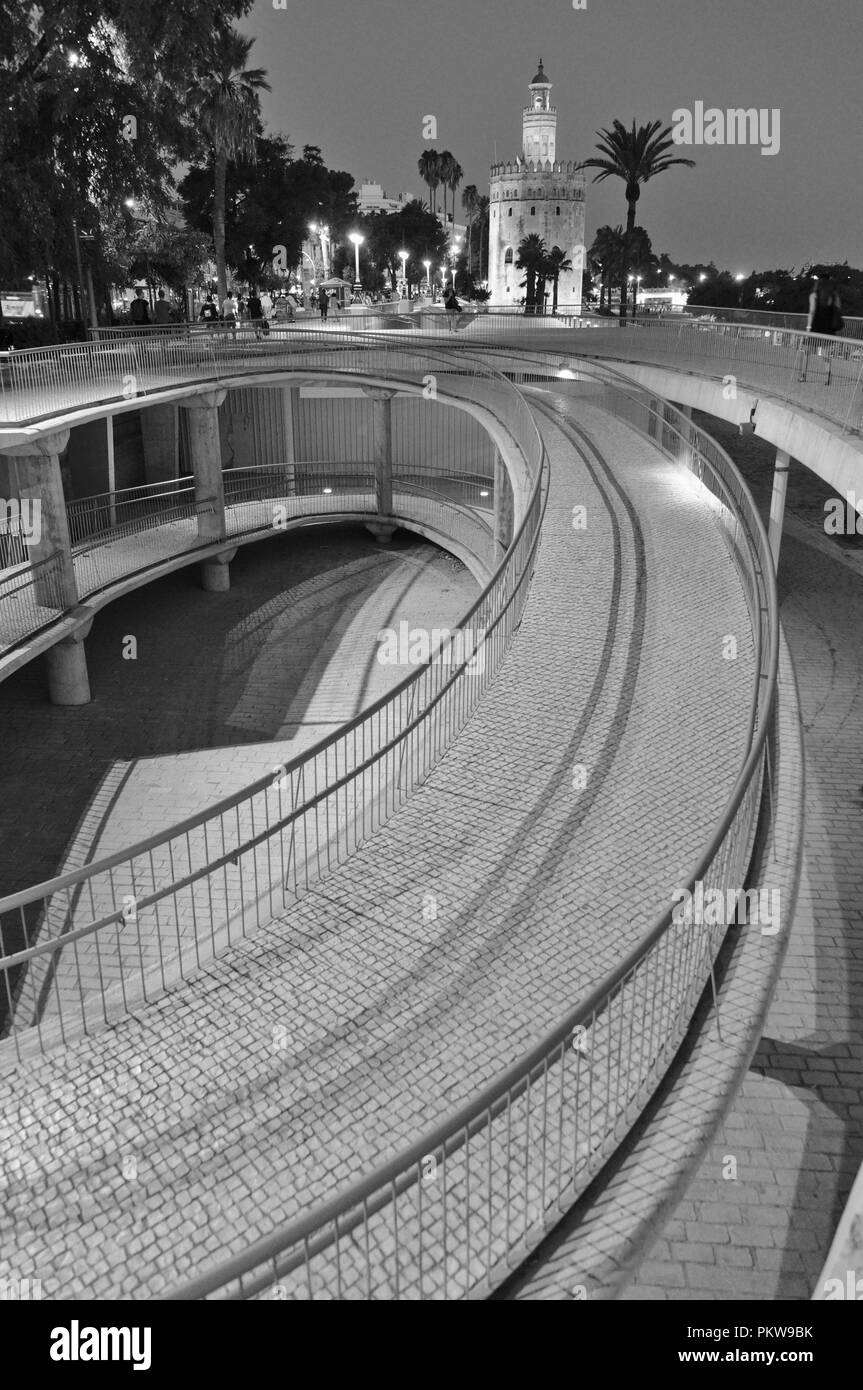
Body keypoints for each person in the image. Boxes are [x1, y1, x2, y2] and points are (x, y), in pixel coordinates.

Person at [798, 277, 843, 382]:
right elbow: (837, 311)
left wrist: (808, 328)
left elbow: (812, 311)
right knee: (826, 354)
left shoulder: (813, 296)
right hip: (828, 329)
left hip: (815, 328)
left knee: (806, 352)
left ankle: (803, 376)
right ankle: (827, 377)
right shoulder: (833, 297)